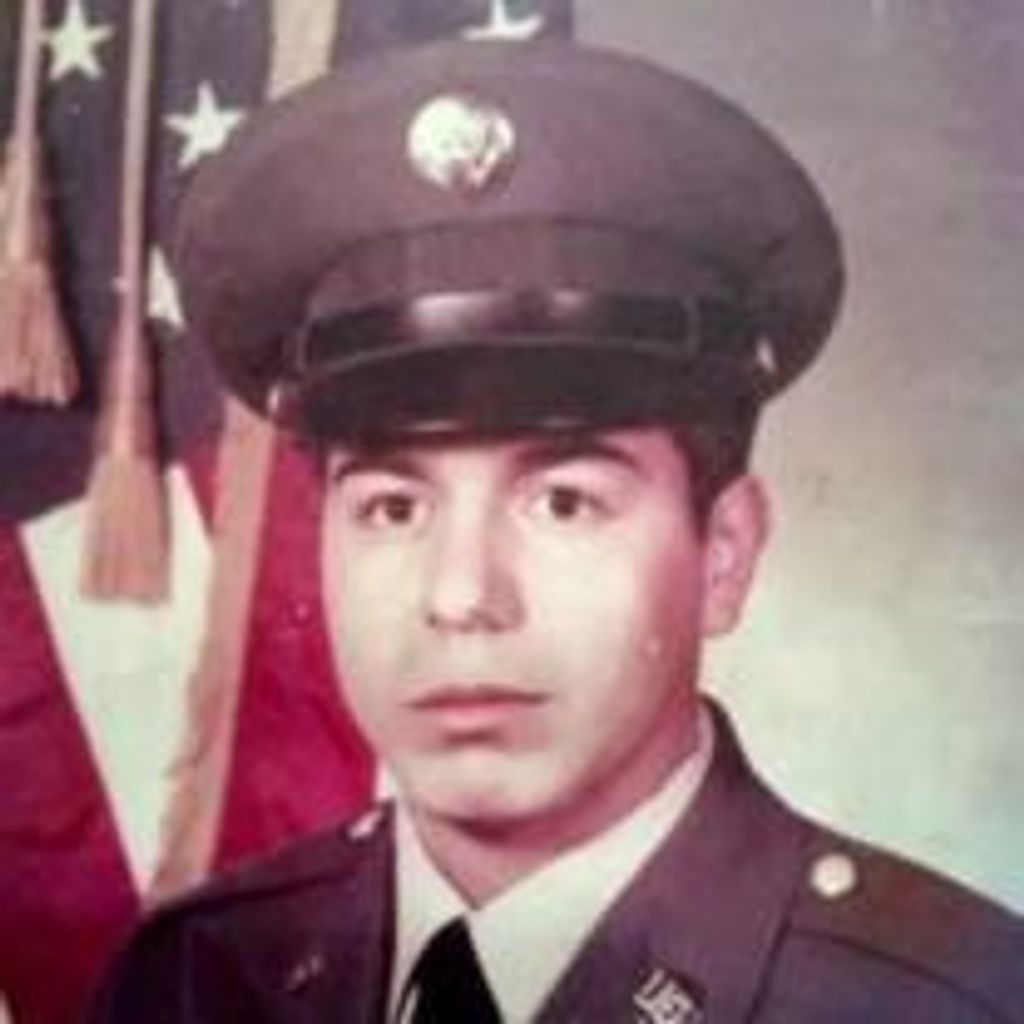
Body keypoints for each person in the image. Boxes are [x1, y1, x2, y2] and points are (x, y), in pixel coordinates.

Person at [91, 30, 1023, 1024]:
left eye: (564, 502)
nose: (462, 596)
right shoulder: (193, 982)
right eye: (394, 507)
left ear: (722, 556)